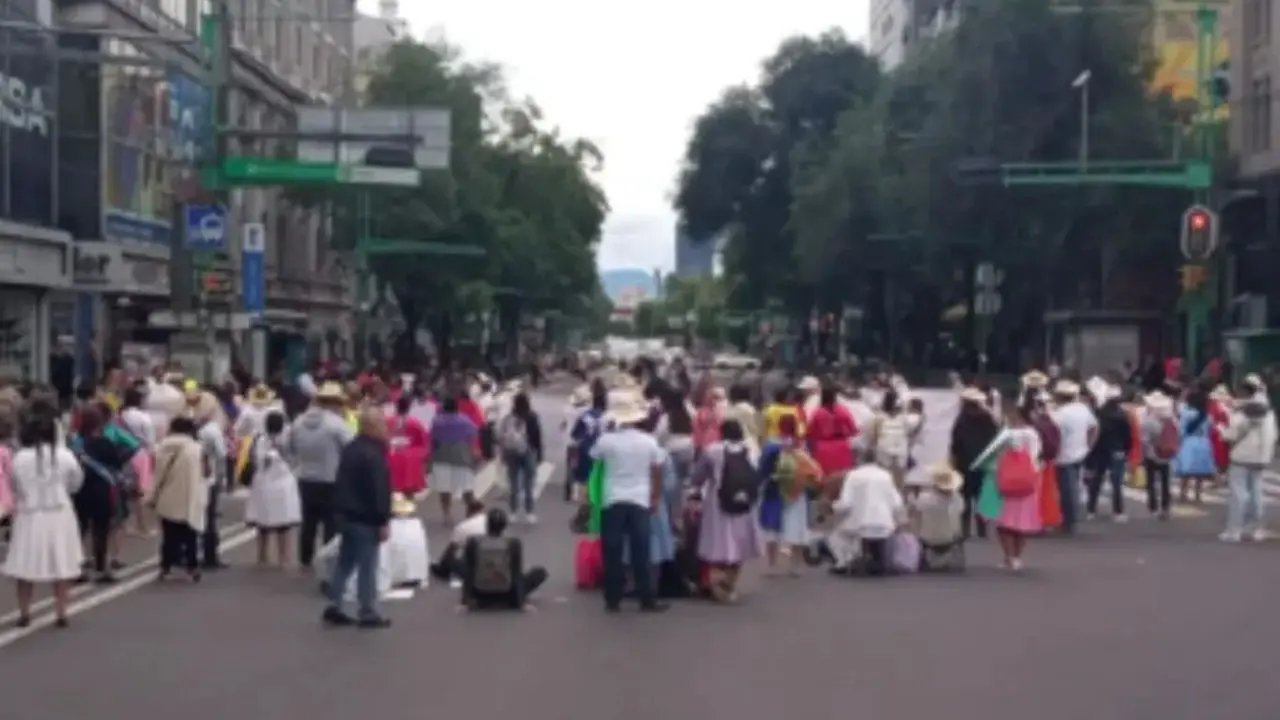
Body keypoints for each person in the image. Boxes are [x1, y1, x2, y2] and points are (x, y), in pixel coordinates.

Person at [2, 413, 85, 627]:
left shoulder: (19, 458)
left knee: (25, 565)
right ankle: (61, 612)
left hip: (29, 515)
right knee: (62, 563)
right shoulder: (65, 456)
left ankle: (24, 612)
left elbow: (14, 486)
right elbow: (76, 482)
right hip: (59, 514)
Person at [590, 392, 668, 613]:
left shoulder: (606, 441)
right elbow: (656, 471)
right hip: (640, 500)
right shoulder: (649, 442)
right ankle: (647, 598)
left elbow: (594, 460)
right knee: (640, 552)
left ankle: (612, 599)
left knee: (612, 552)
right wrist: (655, 497)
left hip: (612, 499)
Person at [322, 407, 393, 629]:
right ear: (374, 426)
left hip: (346, 514)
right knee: (367, 565)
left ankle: (334, 604)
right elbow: (379, 489)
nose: (385, 426)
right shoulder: (374, 453)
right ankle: (367, 611)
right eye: (381, 422)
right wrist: (383, 519)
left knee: (345, 563)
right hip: (366, 517)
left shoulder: (351, 448)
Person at [691, 418, 763, 603]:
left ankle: (718, 581)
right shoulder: (751, 450)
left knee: (718, 543)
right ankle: (730, 585)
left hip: (719, 503)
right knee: (740, 544)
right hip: (745, 503)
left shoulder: (713, 450)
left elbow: (698, 476)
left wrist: (695, 490)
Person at [288, 381, 355, 569]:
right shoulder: (337, 424)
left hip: (305, 478)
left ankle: (305, 559)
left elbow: (290, 448)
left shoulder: (298, 422)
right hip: (331, 479)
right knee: (331, 524)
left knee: (308, 523)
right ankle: (328, 560)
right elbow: (351, 448)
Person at [70, 405, 129, 584]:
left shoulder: (75, 444)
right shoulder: (105, 443)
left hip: (80, 489)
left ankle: (76, 567)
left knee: (80, 529)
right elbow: (117, 466)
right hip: (102, 489)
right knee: (100, 529)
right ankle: (101, 568)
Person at [983, 402, 1044, 570]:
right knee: (1022, 524)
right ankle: (1017, 557)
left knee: (1004, 524)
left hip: (1006, 482)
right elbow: (1036, 456)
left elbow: (993, 455)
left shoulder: (1007, 434)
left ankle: (1007, 556)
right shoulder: (1033, 434)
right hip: (1028, 481)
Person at [758, 414, 821, 576]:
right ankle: (795, 566)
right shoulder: (802, 446)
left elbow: (763, 468)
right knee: (797, 527)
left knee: (772, 528)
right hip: (797, 490)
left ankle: (772, 565)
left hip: (775, 489)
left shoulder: (772, 444)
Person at [1218, 381, 1278, 542]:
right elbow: (1274, 437)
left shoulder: (1243, 414)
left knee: (1238, 494)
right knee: (1257, 494)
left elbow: (1232, 434)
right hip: (1261, 458)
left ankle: (1234, 530)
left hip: (1241, 456)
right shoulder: (1269, 416)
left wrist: (1222, 431)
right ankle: (1256, 529)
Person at [150, 417, 208, 582]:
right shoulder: (196, 449)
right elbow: (207, 472)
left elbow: (155, 472)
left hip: (166, 497)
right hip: (189, 497)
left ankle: (166, 567)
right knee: (190, 535)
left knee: (169, 535)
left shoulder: (160, 447)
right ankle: (192, 567)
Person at [459, 508, 548, 611]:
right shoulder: (513, 543)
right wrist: (521, 604)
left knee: (464, 565)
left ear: (487, 525)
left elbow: (468, 571)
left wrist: (464, 602)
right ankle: (513, 599)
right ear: (504, 526)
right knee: (540, 572)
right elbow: (516, 573)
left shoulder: (473, 542)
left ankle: (481, 600)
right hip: (507, 592)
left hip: (480, 593)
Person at [829, 456, 904, 576]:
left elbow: (846, 504)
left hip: (861, 524)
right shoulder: (886, 475)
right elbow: (897, 503)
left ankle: (843, 563)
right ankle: (873, 560)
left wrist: (833, 507)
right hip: (884, 524)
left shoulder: (853, 475)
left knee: (836, 535)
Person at [246, 411, 302, 567]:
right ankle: (283, 557)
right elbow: (295, 460)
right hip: (283, 485)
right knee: (283, 525)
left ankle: (262, 556)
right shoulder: (287, 440)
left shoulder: (259, 440)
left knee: (262, 524)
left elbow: (255, 460)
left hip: (263, 483)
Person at [949, 387, 999, 538]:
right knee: (981, 496)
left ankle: (964, 529)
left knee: (965, 497)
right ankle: (982, 529)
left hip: (964, 462)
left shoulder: (962, 419)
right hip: (984, 462)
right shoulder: (987, 418)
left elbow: (956, 441)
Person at [1049, 379, 1096, 534]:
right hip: (1080, 453)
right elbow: (1095, 427)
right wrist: (1089, 445)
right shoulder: (1083, 409)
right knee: (1074, 487)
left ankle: (1069, 521)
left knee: (1066, 490)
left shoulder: (1059, 414)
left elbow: (1052, 435)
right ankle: (1071, 519)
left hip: (1063, 456)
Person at [429, 393, 482, 524]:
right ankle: (471, 504)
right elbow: (473, 436)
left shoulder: (437, 422)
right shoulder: (465, 420)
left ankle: (447, 514)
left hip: (442, 457)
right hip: (462, 456)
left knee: (444, 488)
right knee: (466, 485)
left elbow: (433, 440)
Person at [1087, 383, 1132, 523]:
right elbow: (1127, 435)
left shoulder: (1099, 413)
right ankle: (1118, 511)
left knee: (1096, 480)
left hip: (1101, 450)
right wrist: (1126, 450)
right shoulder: (1122, 415)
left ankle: (1091, 509)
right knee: (1116, 482)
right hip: (1117, 449)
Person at [497, 392, 544, 523]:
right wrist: (539, 454)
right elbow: (537, 437)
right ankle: (529, 512)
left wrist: (503, 453)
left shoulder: (508, 418)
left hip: (511, 453)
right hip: (528, 452)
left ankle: (512, 512)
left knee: (513, 483)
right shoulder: (532, 417)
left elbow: (501, 436)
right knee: (529, 483)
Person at [911, 464, 966, 572]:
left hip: (927, 537)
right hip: (949, 537)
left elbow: (916, 511)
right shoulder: (957, 499)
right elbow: (960, 511)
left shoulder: (924, 498)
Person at [429, 496, 487, 587]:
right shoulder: (489, 521)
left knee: (449, 560)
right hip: (492, 563)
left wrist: (442, 564)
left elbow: (451, 550)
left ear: (468, 510)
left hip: (473, 567)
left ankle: (442, 572)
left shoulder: (462, 527)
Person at [1174, 386, 1217, 505]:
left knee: (1186, 470)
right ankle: (1198, 495)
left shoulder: (1187, 413)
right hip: (1203, 442)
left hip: (1189, 442)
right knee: (1200, 471)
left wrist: (1179, 442)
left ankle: (1183, 493)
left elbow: (1181, 429)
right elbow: (1210, 429)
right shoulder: (1207, 416)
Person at [1140, 391, 1178, 520]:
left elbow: (1145, 440)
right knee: (1165, 482)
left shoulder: (1149, 421)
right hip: (1167, 456)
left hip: (1152, 454)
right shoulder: (1172, 420)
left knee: (1151, 482)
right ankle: (1165, 507)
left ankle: (1153, 506)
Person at [386, 395, 429, 497]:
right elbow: (424, 442)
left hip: (391, 456)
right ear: (409, 408)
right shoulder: (415, 423)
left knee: (391, 489)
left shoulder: (388, 421)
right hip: (410, 459)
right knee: (409, 489)